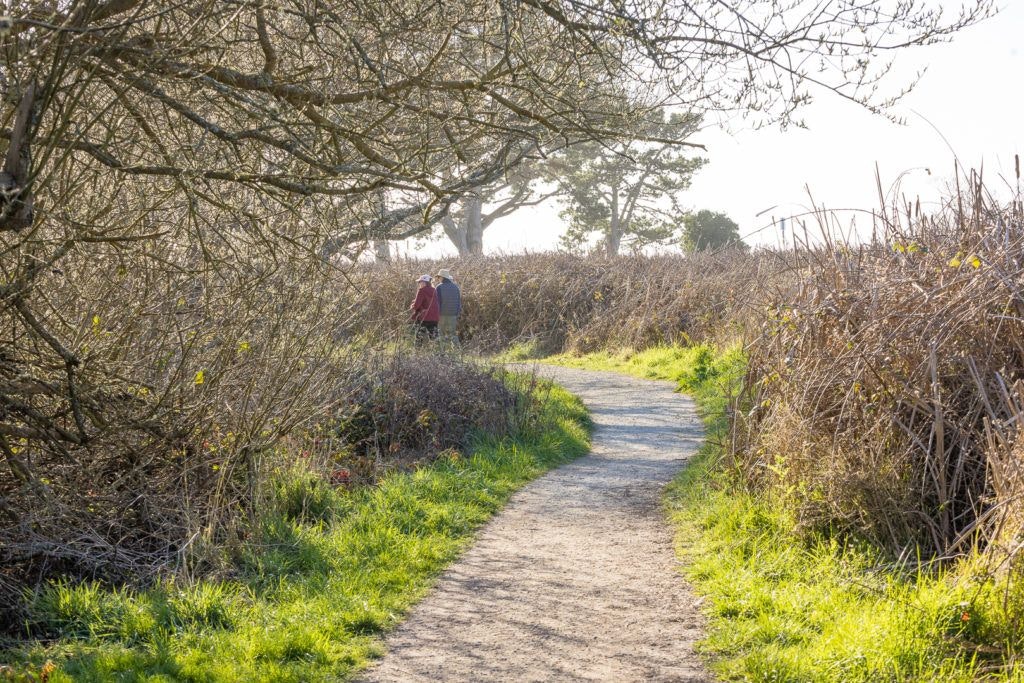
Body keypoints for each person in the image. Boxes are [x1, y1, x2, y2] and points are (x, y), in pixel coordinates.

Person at [434, 267, 461, 347]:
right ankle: (457, 349)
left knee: (441, 333)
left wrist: (436, 314)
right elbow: (459, 302)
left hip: (442, 314)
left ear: (442, 277)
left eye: (439, 277)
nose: (438, 279)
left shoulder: (439, 287)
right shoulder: (456, 287)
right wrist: (457, 313)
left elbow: (437, 302)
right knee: (452, 333)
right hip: (453, 314)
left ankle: (443, 350)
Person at [409, 274, 439, 344]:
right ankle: (438, 352)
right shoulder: (434, 290)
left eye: (420, 282)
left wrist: (412, 306)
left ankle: (417, 352)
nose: (419, 283)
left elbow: (416, 305)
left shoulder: (422, 291)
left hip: (423, 317)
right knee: (434, 337)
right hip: (434, 317)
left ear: (424, 282)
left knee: (419, 337)